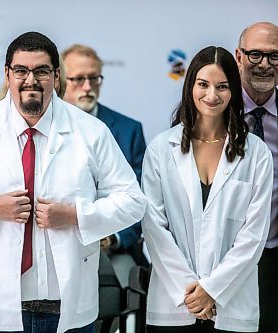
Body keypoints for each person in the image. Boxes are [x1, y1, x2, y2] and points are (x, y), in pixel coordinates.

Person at [0, 31, 146, 333]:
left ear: (57, 76)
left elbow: (133, 202)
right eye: (21, 71)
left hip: (67, 309)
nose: (30, 80)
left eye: (41, 71)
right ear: (7, 74)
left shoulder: (90, 132)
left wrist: (75, 215)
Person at [142, 46, 273, 333]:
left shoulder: (257, 153)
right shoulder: (161, 149)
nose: (212, 95)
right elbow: (154, 229)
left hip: (232, 306)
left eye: (222, 86)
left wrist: (212, 290)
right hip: (173, 305)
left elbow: (254, 236)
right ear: (190, 86)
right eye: (203, 84)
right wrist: (191, 293)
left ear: (234, 91)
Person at [62, 44, 147, 268]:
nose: (87, 86)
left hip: (111, 250)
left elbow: (141, 198)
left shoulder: (129, 130)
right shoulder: (43, 126)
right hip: (59, 241)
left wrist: (113, 238)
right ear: (60, 79)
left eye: (94, 78)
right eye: (78, 79)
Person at [235, 22, 278, 333]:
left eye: (274, 56)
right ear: (238, 56)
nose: (265, 64)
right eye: (255, 54)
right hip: (225, 259)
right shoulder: (211, 109)